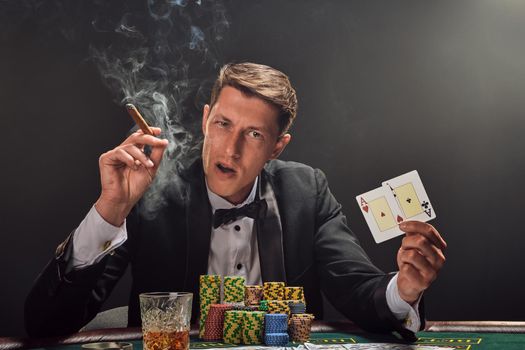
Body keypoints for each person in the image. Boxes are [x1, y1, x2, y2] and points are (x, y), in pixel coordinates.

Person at [25, 62, 446, 340]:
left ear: (278, 147)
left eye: (254, 134)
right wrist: (110, 208)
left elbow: (357, 288)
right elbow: (45, 325)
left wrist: (403, 290)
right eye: (224, 124)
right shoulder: (151, 192)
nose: (230, 149)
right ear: (206, 119)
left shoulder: (306, 191)